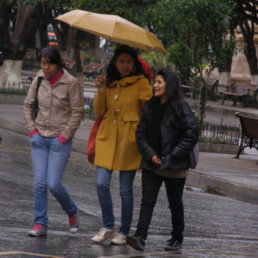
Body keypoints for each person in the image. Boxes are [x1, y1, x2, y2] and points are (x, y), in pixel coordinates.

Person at [126, 69, 199, 251]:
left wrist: (172, 155)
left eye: (159, 82)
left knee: (174, 203)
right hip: (152, 163)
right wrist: (151, 154)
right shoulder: (151, 106)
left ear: (169, 85)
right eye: (155, 82)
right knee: (147, 200)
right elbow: (140, 134)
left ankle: (177, 237)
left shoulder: (181, 107)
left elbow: (192, 133)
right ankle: (140, 237)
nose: (155, 86)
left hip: (175, 165)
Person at [91, 45, 152, 245]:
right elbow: (99, 110)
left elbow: (150, 109)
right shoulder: (109, 82)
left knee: (125, 190)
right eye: (121, 61)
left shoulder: (141, 83)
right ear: (115, 63)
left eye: (128, 61)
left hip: (129, 142)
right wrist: (100, 89)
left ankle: (124, 231)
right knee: (101, 184)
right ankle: (108, 226)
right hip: (107, 138)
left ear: (134, 64)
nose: (125, 65)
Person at [24, 46, 84, 237]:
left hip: (59, 140)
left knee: (53, 183)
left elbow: (77, 111)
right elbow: (28, 105)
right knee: (39, 184)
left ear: (58, 64)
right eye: (43, 62)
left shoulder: (71, 83)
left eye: (49, 63)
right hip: (39, 138)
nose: (46, 67)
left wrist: (65, 136)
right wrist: (32, 131)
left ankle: (72, 210)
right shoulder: (39, 79)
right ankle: (40, 224)